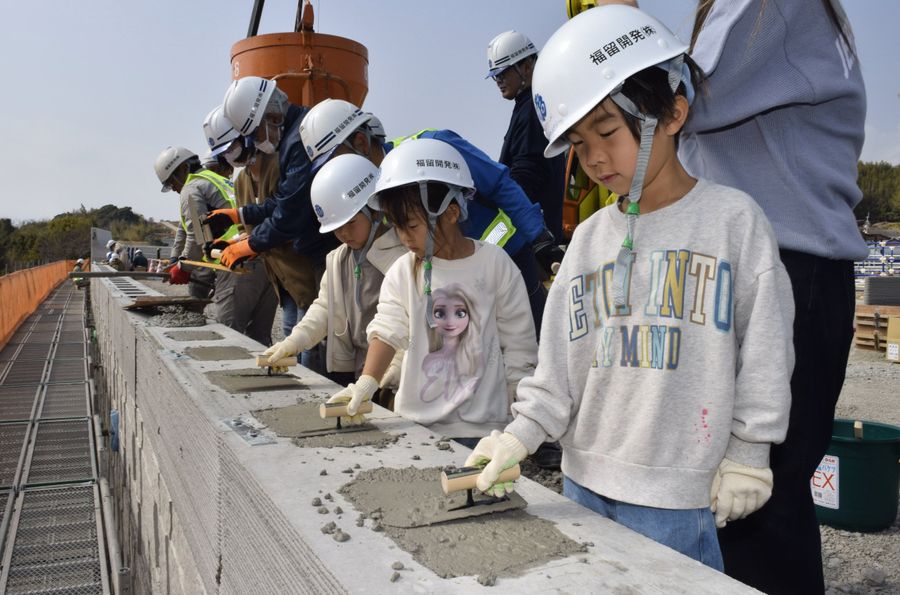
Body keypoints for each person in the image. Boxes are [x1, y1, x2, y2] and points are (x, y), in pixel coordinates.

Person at [463, 5, 795, 571]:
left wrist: (748, 450)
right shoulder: (589, 241)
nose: (592, 157)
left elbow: (765, 350)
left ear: (670, 112)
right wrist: (518, 436)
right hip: (582, 483)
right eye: (576, 141)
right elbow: (558, 372)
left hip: (676, 498)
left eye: (607, 131)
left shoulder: (732, 223)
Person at [670, 1, 866, 591]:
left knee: (754, 503)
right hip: (797, 270)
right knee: (765, 502)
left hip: (779, 270)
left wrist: (616, 21)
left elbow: (674, 99)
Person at [325, 139, 537, 443]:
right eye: (397, 226)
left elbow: (519, 345)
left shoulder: (495, 265)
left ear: (451, 212)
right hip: (416, 426)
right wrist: (367, 383)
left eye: (411, 225)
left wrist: (518, 418)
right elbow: (388, 329)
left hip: (482, 430)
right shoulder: (403, 270)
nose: (404, 237)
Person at [299, 98, 555, 336]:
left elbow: (498, 183)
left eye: (335, 159)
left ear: (361, 143)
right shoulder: (370, 192)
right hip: (457, 278)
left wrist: (538, 236)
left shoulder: (433, 148)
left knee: (533, 342)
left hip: (508, 256)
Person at [206, 77, 338, 349]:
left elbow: (289, 211)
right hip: (290, 274)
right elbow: (279, 203)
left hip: (315, 258)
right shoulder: (287, 142)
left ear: (271, 115)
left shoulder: (296, 140)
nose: (256, 140)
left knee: (314, 343)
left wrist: (249, 245)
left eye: (253, 135)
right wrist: (238, 219)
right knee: (299, 338)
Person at [262, 154, 406, 389]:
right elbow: (324, 308)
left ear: (375, 210)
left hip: (394, 374)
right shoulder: (338, 260)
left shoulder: (402, 257)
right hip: (357, 369)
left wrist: (395, 369)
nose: (344, 234)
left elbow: (410, 324)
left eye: (350, 222)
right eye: (336, 228)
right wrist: (295, 342)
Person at [200, 105, 278, 346]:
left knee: (252, 336)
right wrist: (232, 243)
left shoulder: (277, 166)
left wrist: (248, 245)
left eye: (232, 147)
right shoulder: (241, 179)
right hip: (261, 262)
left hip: (280, 267)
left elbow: (281, 217)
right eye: (225, 154)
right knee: (250, 337)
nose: (231, 157)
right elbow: (248, 228)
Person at [486, 30, 567, 244]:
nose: (498, 80)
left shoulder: (531, 109)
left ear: (527, 66)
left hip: (533, 239)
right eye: (495, 76)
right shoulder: (529, 105)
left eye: (503, 73)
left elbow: (526, 176)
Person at [154, 146, 219, 297]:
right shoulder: (211, 180)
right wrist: (175, 258)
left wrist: (183, 268)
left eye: (172, 183)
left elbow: (198, 235)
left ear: (184, 169)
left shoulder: (191, 189)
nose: (175, 189)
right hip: (249, 254)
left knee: (227, 319)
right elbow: (185, 229)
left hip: (232, 258)